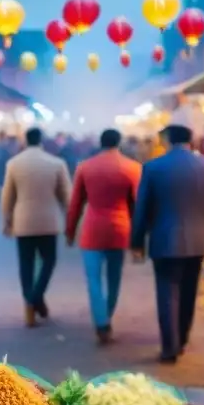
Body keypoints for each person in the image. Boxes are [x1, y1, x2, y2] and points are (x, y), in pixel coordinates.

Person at [131, 125, 204, 363]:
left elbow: (142, 208)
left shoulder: (153, 167)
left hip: (163, 240)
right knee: (189, 291)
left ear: (167, 140)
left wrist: (136, 241)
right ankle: (183, 339)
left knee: (167, 292)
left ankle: (169, 347)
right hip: (198, 241)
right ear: (191, 139)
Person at [66, 128, 142, 342]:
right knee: (114, 277)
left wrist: (70, 231)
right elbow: (138, 206)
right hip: (120, 228)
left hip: (92, 229)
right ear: (119, 142)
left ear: (100, 143)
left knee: (93, 279)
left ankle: (101, 322)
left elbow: (75, 204)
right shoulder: (133, 168)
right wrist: (139, 239)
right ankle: (106, 314)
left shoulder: (85, 167)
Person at [1, 128, 71, 327]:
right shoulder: (57, 163)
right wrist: (71, 222)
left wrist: (6, 220)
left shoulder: (14, 164)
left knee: (26, 265)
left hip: (23, 222)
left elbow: (7, 197)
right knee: (49, 261)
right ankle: (36, 298)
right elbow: (67, 196)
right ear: (42, 141)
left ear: (25, 140)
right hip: (49, 222)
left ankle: (30, 304)